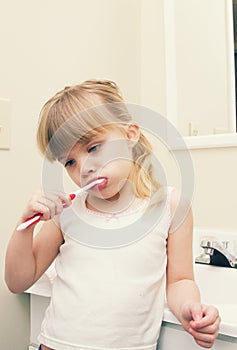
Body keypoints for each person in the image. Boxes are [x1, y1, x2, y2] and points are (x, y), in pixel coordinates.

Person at [5, 80, 220, 350]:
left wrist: (190, 308)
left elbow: (180, 281)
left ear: (130, 134)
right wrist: (24, 226)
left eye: (93, 147)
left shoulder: (170, 205)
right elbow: (17, 281)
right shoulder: (68, 213)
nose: (84, 168)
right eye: (69, 162)